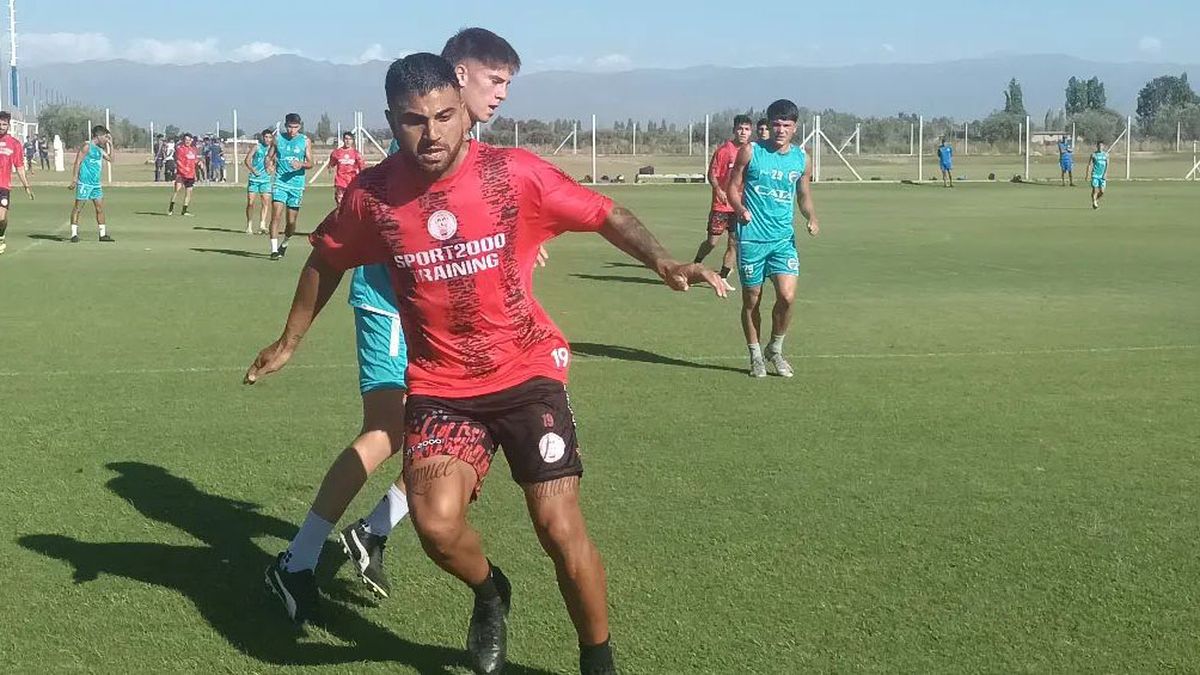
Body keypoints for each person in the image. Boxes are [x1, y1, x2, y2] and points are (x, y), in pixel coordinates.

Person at [247, 52, 724, 675]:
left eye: (446, 116)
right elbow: (326, 259)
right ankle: (490, 591)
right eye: (415, 121)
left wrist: (663, 262)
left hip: (528, 374)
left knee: (557, 525)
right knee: (436, 527)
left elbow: (605, 212)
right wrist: (289, 341)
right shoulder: (374, 196)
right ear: (391, 119)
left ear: (461, 108)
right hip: (443, 387)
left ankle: (597, 660)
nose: (434, 133)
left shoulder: (514, 174)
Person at [255, 27, 533, 615]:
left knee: (456, 433)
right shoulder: (415, 151)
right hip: (390, 308)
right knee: (387, 431)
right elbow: (336, 245)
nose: (503, 93)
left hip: (446, 325)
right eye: (495, 79)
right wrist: (289, 340)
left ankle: (372, 531)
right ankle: (299, 561)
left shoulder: (477, 157)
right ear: (459, 77)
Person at [727, 99, 821, 379]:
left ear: (795, 127)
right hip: (752, 239)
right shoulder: (750, 152)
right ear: (768, 125)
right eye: (776, 124)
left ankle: (775, 349)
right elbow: (732, 188)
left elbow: (804, 196)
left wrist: (811, 217)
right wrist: (740, 208)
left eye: (787, 125)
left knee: (788, 296)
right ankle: (756, 355)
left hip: (783, 240)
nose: (781, 130)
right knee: (752, 300)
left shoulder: (801, 159)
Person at [692, 114, 751, 288]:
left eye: (747, 129)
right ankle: (696, 264)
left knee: (734, 242)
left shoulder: (752, 152)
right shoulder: (724, 151)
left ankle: (723, 276)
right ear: (734, 130)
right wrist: (718, 189)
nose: (743, 132)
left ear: (750, 132)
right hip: (721, 205)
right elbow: (712, 174)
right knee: (712, 242)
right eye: (740, 128)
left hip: (739, 206)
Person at [266, 113, 313, 260]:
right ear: (286, 126)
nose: (293, 130)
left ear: (300, 126)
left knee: (291, 223)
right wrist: (269, 165)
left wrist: (301, 164)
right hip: (280, 182)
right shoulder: (278, 139)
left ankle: (285, 243)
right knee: (276, 216)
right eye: (290, 127)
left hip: (296, 185)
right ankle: (274, 250)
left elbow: (311, 163)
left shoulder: (305, 141)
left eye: (296, 127)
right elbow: (269, 156)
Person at [68, 125, 115, 243]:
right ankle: (74, 234)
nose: (106, 139)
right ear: (98, 136)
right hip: (84, 183)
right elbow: (77, 162)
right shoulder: (87, 147)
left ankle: (102, 234)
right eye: (105, 136)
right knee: (78, 208)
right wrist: (74, 179)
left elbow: (111, 159)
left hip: (96, 184)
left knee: (99, 208)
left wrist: (111, 144)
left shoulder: (99, 149)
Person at [0, 111, 35, 254]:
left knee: (2, 218)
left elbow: (19, 167)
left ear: (8, 125)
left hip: (3, 186)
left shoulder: (14, 144)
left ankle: (1, 236)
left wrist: (26, 186)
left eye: (4, 124)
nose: (1, 126)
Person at [245, 128, 274, 234]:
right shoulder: (257, 147)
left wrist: (272, 168)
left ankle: (262, 224)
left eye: (270, 137)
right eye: (266, 137)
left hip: (266, 180)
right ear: (262, 137)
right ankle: (249, 225)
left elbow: (274, 161)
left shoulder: (272, 149)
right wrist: (253, 170)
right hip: (254, 179)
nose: (268, 139)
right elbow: (247, 160)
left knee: (265, 202)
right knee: (251, 203)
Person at [328, 131, 365, 204]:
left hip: (352, 182)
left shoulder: (356, 154)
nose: (348, 141)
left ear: (352, 141)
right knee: (340, 204)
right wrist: (330, 168)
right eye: (346, 139)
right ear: (343, 140)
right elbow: (331, 164)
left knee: (350, 204)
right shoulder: (336, 153)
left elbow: (362, 168)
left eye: (350, 139)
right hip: (340, 181)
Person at [168, 133, 199, 216]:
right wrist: (184, 169)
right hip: (181, 174)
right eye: (186, 140)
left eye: (189, 140)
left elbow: (195, 160)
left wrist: (200, 163)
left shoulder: (193, 149)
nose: (187, 142)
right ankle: (170, 209)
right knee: (177, 191)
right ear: (183, 140)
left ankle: (184, 210)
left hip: (191, 175)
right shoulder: (180, 149)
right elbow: (178, 161)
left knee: (188, 192)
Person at [1086, 141, 1108, 209]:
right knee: (1095, 190)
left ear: (1103, 146)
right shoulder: (1093, 155)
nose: (1100, 147)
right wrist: (1087, 174)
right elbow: (1089, 165)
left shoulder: (1106, 155)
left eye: (1101, 146)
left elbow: (1107, 165)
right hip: (1095, 175)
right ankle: (1094, 202)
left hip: (1102, 175)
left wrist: (1105, 174)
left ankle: (1096, 200)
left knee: (1102, 191)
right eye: (1099, 146)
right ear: (1097, 146)